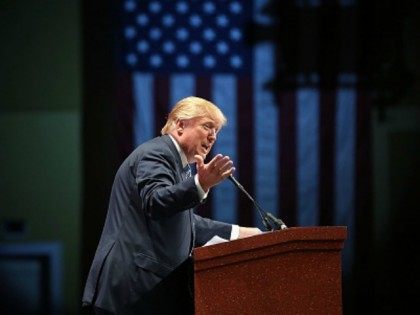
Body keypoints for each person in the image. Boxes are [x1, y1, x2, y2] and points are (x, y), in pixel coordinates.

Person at [82, 96, 261, 315]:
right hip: (132, 291)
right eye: (207, 127)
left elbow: (185, 223)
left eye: (216, 131)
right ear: (179, 125)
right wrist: (200, 184)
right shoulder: (157, 153)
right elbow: (155, 201)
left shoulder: (180, 166)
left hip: (148, 295)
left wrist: (240, 233)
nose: (213, 136)